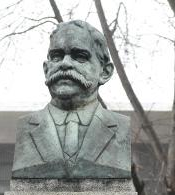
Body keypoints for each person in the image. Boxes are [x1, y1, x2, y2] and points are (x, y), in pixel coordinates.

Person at [11, 20, 131, 179]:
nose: (65, 64)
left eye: (80, 57)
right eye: (56, 57)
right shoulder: (26, 127)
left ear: (105, 72)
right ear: (46, 70)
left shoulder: (120, 128)